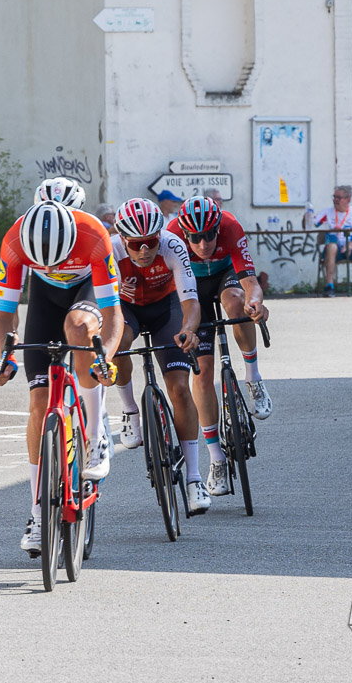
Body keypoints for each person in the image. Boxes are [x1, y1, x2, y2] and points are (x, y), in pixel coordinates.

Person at [0, 199, 123, 556]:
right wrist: (4, 356)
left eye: (57, 258)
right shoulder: (15, 242)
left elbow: (113, 315)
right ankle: (37, 514)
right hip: (45, 298)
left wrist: (104, 358)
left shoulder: (95, 236)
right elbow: (5, 315)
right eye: (43, 262)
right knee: (38, 404)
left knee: (78, 328)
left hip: (87, 291)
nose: (51, 265)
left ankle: (95, 436)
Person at [110, 198, 210, 513]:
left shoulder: (173, 245)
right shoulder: (110, 251)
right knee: (117, 343)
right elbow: (106, 306)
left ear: (159, 237)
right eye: (136, 244)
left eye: (150, 242)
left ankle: (194, 479)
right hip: (126, 310)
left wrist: (190, 330)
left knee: (180, 387)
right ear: (123, 240)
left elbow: (190, 303)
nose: (144, 250)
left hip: (165, 308)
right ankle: (130, 412)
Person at [167, 197, 271, 497]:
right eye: (195, 238)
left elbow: (249, 280)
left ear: (217, 229)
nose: (203, 244)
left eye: (209, 235)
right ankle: (216, 460)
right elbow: (176, 292)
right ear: (185, 234)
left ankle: (253, 379)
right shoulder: (172, 234)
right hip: (192, 288)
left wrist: (255, 302)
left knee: (238, 303)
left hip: (226, 276)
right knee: (202, 374)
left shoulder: (230, 225)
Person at [316, 185, 352, 297]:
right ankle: (329, 286)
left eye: (338, 198)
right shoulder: (328, 212)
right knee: (331, 246)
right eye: (334, 197)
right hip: (334, 249)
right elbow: (311, 224)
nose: (335, 200)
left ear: (348, 199)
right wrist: (306, 216)